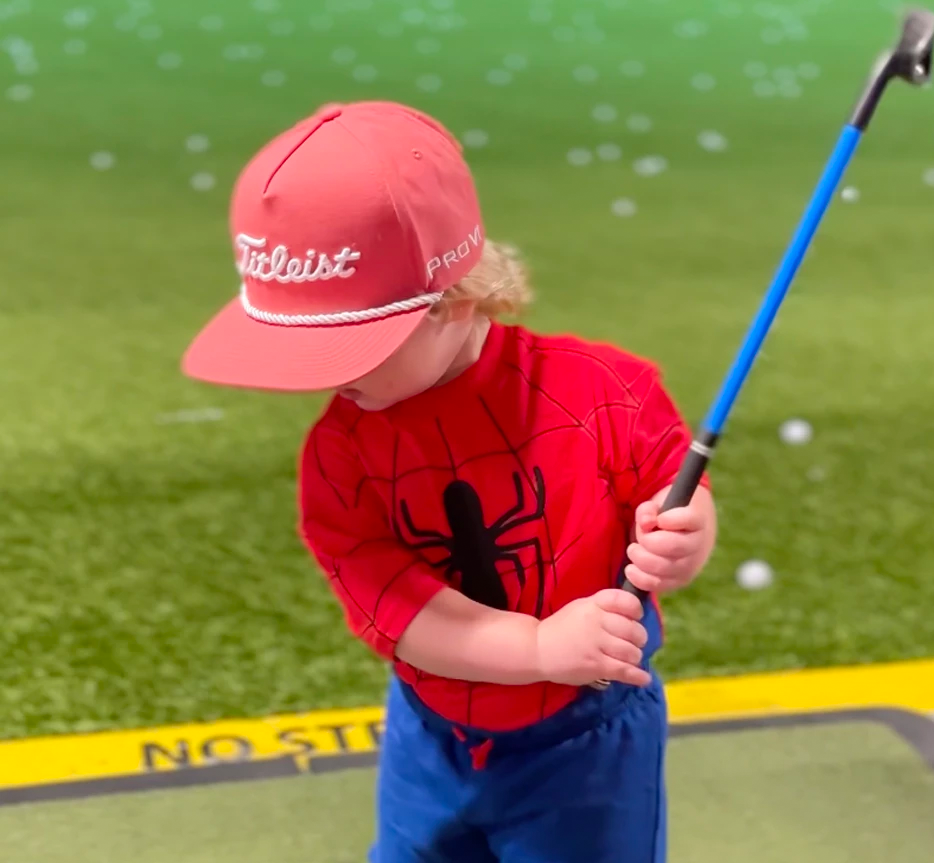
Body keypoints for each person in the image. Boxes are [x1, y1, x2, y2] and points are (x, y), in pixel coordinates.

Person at [182, 99, 717, 862]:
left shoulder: (606, 390)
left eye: (348, 344)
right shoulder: (338, 454)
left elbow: (674, 498)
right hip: (429, 736)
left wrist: (687, 537)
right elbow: (404, 614)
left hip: (586, 744)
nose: (321, 378)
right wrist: (538, 646)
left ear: (455, 301)